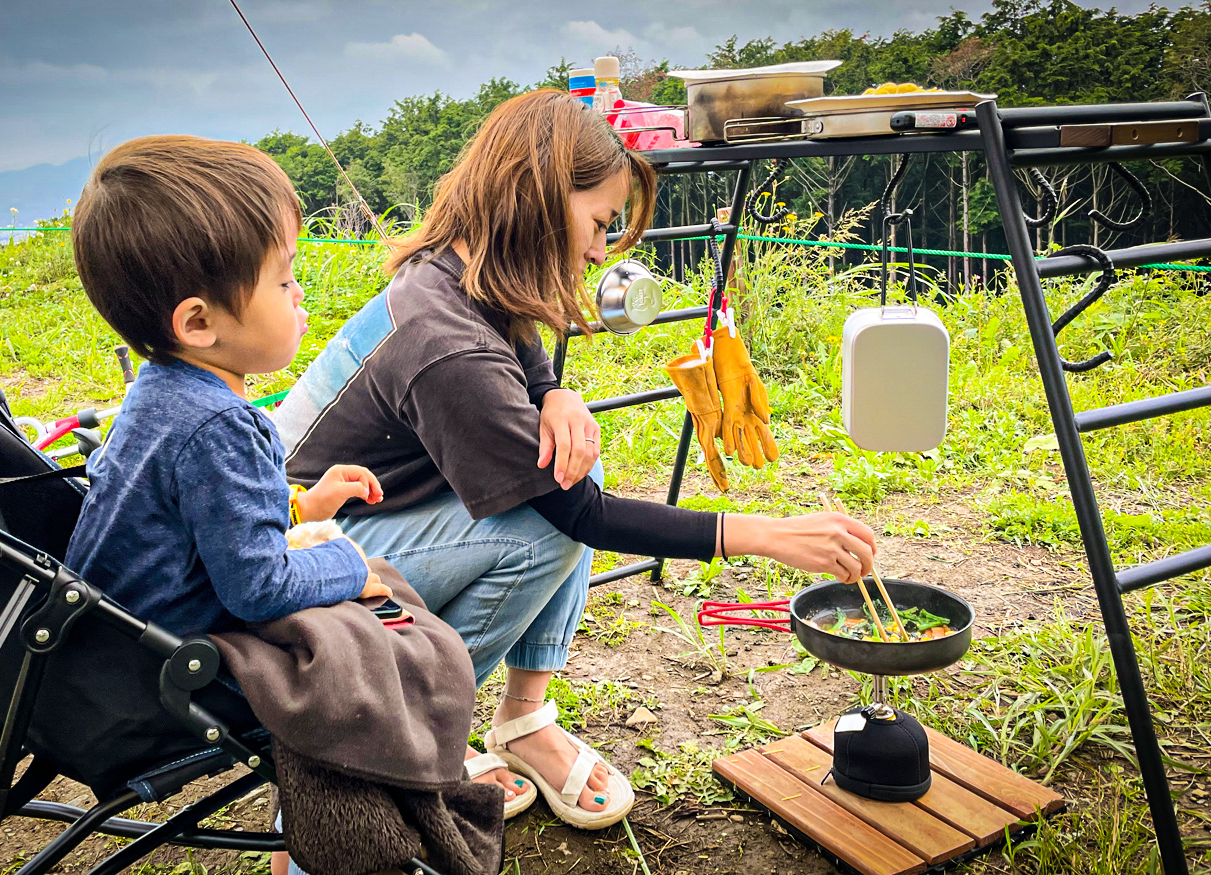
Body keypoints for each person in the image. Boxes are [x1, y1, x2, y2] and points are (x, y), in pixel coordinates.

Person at [273, 90, 878, 831]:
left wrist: (554, 392)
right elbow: (582, 519)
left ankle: (523, 722)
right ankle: (394, 726)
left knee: (568, 459)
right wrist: (769, 534)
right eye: (597, 223)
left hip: (362, 512)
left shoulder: (464, 268)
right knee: (554, 525)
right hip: (301, 549)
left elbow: (519, 349)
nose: (599, 250)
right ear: (534, 198)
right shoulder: (446, 347)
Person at [64, 134, 395, 640]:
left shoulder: (158, 391)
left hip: (115, 644)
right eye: (284, 281)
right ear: (197, 323)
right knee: (391, 604)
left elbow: (210, 522)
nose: (299, 292)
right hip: (176, 667)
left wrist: (302, 509)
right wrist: (348, 564)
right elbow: (260, 587)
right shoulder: (221, 426)